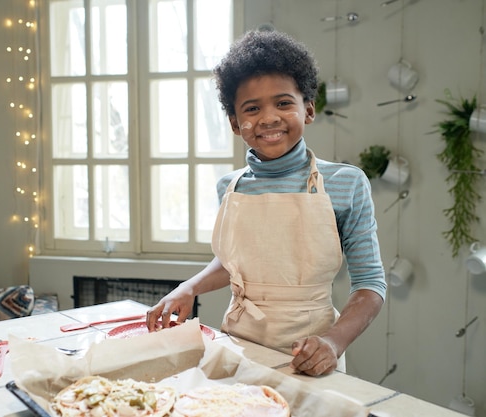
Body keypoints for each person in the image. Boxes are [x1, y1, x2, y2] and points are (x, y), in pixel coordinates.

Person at [146, 29, 387, 377]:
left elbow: (370, 283)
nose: (269, 117)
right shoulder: (230, 187)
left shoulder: (346, 183)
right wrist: (189, 287)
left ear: (308, 109)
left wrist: (333, 342)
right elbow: (236, 263)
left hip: (312, 354)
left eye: (283, 103)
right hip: (240, 346)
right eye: (252, 108)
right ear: (234, 123)